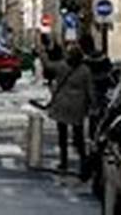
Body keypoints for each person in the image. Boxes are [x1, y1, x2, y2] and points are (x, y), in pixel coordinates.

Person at [46, 43, 96, 178]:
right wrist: (93, 105)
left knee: (62, 135)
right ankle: (83, 162)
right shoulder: (85, 70)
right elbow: (90, 89)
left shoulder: (62, 66)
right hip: (77, 106)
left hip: (62, 104)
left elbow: (49, 66)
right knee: (78, 136)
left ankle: (64, 161)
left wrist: (42, 52)